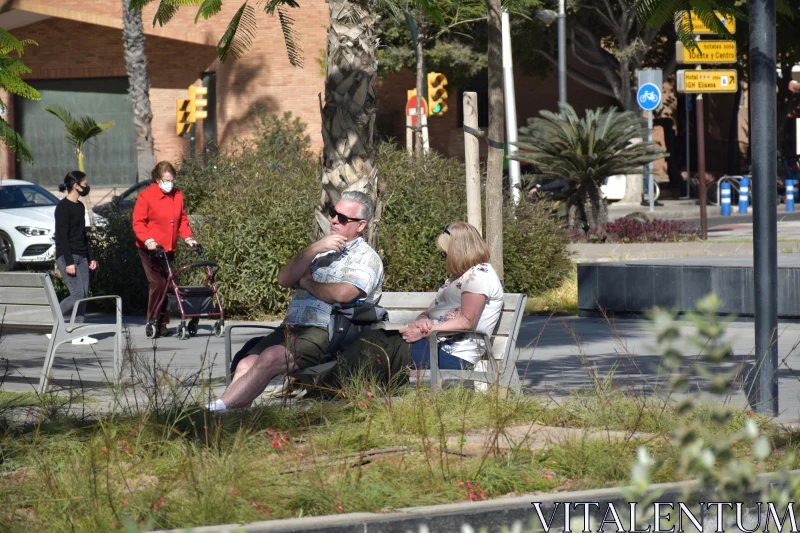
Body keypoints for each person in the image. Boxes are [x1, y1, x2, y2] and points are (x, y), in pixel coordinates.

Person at [207, 191, 384, 411]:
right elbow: (284, 279)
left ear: (360, 225)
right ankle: (229, 416)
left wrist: (308, 284)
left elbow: (344, 294)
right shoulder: (321, 251)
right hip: (292, 327)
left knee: (271, 356)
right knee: (246, 363)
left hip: (327, 331)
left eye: (343, 218)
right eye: (333, 213)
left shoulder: (366, 258)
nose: (334, 220)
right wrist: (315, 248)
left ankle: (215, 410)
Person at [334, 221, 503, 386]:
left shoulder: (480, 275)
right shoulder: (455, 279)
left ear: (458, 251)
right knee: (374, 338)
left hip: (454, 356)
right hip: (434, 345)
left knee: (381, 346)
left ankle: (328, 386)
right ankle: (333, 384)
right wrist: (423, 319)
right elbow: (428, 312)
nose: (443, 258)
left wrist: (424, 332)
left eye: (444, 254)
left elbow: (467, 321)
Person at [132, 161, 197, 337]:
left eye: (172, 180)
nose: (170, 183)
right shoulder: (146, 196)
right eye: (166, 180)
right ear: (158, 180)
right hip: (150, 248)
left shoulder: (177, 195)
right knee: (158, 283)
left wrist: (188, 237)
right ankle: (153, 321)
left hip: (168, 248)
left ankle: (162, 323)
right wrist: (148, 240)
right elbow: (138, 222)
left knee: (168, 284)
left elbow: (182, 220)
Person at [54, 171, 98, 345]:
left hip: (81, 256)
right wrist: (69, 262)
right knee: (77, 293)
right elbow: (62, 237)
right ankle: (54, 321)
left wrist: (91, 257)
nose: (87, 186)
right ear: (75, 185)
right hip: (67, 257)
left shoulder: (79, 206)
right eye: (85, 183)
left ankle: (78, 334)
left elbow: (82, 235)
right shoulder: (63, 207)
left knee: (84, 295)